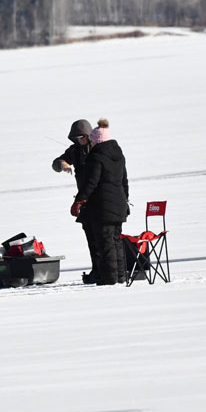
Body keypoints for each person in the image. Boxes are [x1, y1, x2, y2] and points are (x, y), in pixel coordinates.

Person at [70, 118, 129, 286]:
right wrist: (125, 199)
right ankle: (120, 276)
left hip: (103, 207)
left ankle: (109, 279)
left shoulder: (97, 156)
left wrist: (79, 200)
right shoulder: (118, 154)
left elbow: (91, 182)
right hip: (119, 206)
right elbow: (125, 181)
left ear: (96, 140)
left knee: (106, 243)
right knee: (116, 241)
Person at [52, 119, 102, 284]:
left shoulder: (99, 148)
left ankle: (106, 270)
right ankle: (96, 270)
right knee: (91, 238)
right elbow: (55, 163)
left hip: (102, 199)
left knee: (103, 238)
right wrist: (62, 164)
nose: (79, 140)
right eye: (76, 137)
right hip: (84, 201)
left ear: (88, 135)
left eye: (82, 136)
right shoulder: (74, 151)